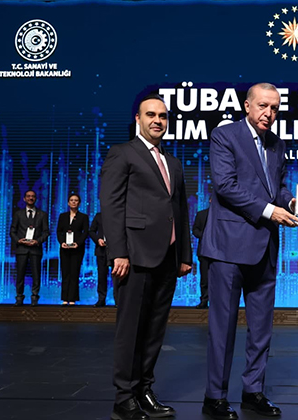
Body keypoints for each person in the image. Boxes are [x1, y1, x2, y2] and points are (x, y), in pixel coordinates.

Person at [199, 83, 298, 420]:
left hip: (265, 247)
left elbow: (278, 186)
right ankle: (214, 397)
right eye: (263, 106)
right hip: (228, 247)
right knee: (223, 328)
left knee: (261, 329)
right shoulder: (225, 136)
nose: (269, 113)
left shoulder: (277, 143)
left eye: (275, 108)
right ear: (247, 106)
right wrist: (271, 211)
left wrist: (292, 202)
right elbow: (225, 185)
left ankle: (253, 391)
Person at [100, 93, 192, 420]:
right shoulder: (122, 153)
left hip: (167, 257)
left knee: (155, 329)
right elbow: (111, 206)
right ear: (138, 119)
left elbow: (180, 210)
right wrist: (118, 252)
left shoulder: (173, 163)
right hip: (134, 256)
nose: (157, 121)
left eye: (163, 116)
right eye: (151, 115)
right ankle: (124, 397)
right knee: (131, 329)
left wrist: (184, 254)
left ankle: (145, 390)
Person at [9, 190, 49, 306]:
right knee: (20, 274)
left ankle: (34, 297)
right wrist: (18, 240)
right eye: (28, 196)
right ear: (24, 199)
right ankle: (19, 297)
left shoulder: (42, 214)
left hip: (35, 249)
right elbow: (12, 231)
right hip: (21, 249)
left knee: (36, 274)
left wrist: (37, 241)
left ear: (35, 199)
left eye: (33, 196)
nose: (30, 198)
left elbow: (46, 232)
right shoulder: (18, 214)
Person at [57, 193, 89, 305]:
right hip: (65, 248)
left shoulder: (83, 217)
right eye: (71, 200)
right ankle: (65, 298)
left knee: (74, 272)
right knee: (65, 272)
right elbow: (59, 231)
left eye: (76, 200)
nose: (74, 202)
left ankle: (72, 298)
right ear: (68, 203)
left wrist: (78, 243)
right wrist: (62, 242)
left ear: (79, 203)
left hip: (77, 249)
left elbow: (85, 232)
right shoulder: (62, 216)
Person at [89, 212, 116, 306]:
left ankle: (118, 300)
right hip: (101, 251)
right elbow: (91, 231)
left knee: (117, 277)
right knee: (101, 276)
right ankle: (101, 299)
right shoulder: (98, 216)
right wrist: (98, 240)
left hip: (115, 250)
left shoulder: (118, 215)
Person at [192, 203, 210, 309]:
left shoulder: (224, 214)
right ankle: (204, 300)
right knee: (204, 279)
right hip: (204, 251)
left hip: (221, 252)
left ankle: (218, 303)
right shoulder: (201, 214)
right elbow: (195, 230)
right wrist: (204, 235)